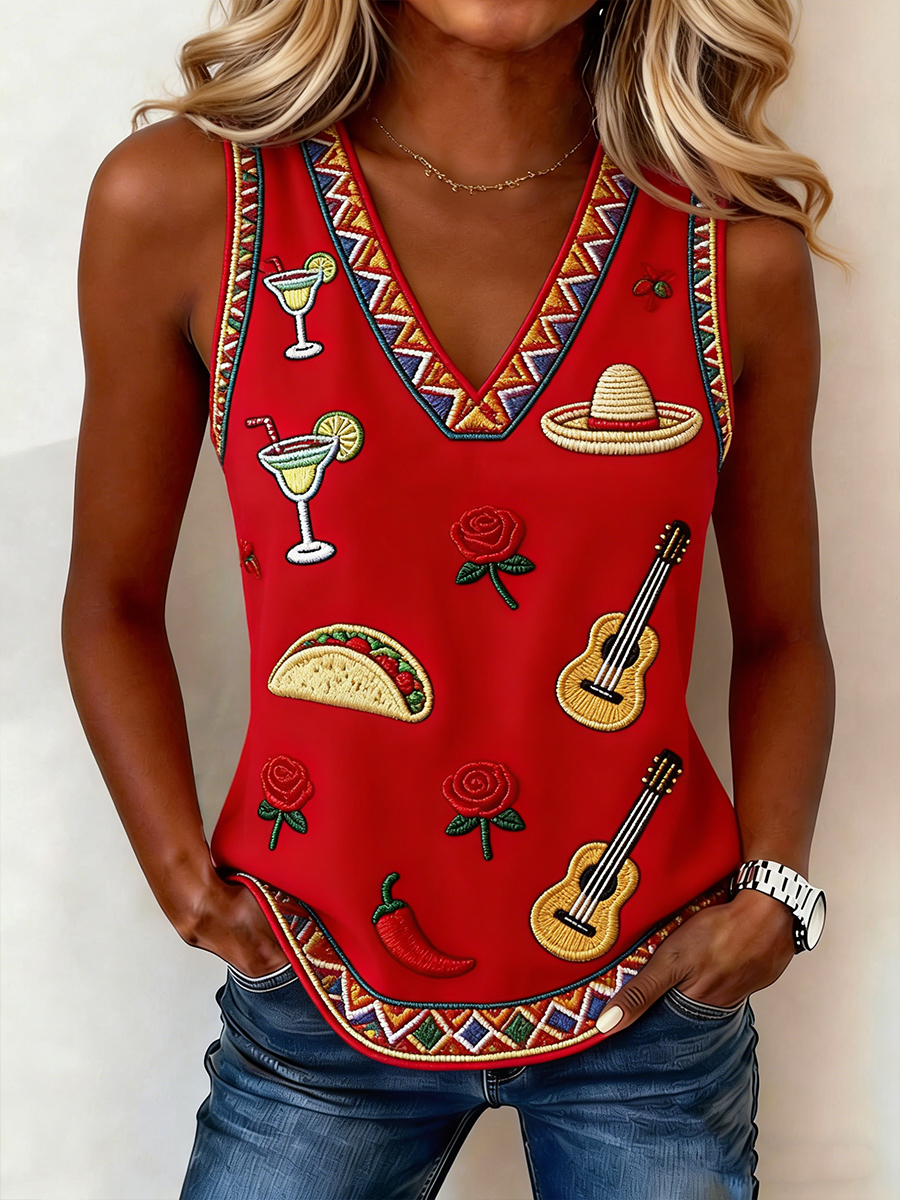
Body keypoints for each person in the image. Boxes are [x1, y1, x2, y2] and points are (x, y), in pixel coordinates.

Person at [62, 1, 836, 1196]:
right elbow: (110, 597)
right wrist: (186, 884)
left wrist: (776, 897)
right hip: (315, 990)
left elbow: (783, 634)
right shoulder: (190, 204)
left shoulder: (729, 252)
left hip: (651, 1000)